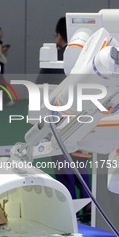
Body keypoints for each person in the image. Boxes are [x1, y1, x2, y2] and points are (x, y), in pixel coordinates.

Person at [36, 17, 91, 223]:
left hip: (58, 127)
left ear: (60, 36)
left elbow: (40, 91)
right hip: (83, 124)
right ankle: (89, 208)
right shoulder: (86, 61)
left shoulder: (55, 62)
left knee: (64, 170)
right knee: (81, 170)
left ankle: (69, 211)